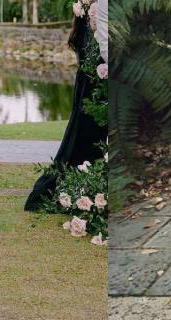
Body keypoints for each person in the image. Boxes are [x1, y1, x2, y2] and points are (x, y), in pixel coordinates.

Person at [24, 13, 108, 210]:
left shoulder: (83, 30)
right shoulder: (90, 33)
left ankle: (91, 187)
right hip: (92, 94)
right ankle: (84, 191)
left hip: (87, 92)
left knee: (83, 142)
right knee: (86, 142)